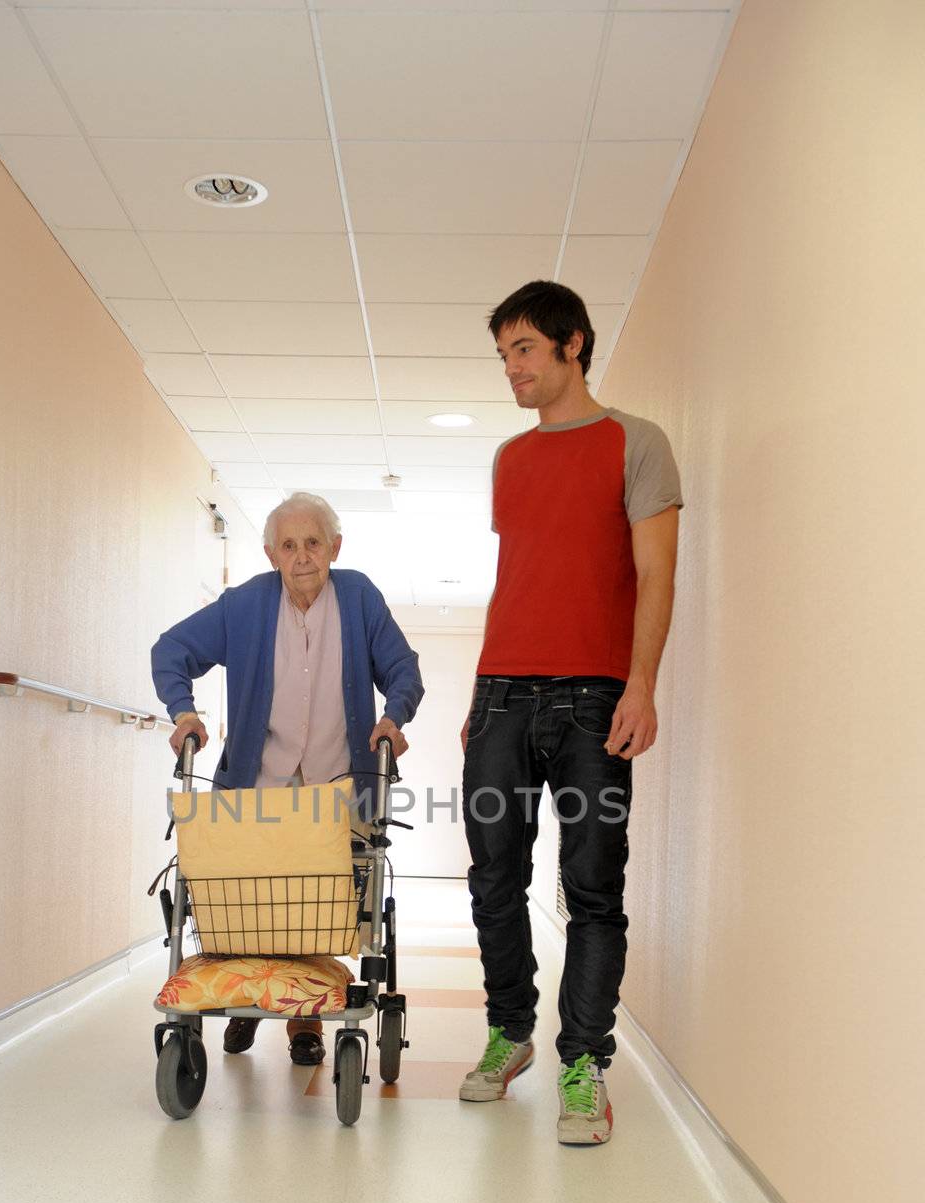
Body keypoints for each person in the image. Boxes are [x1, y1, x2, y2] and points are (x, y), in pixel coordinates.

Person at [458, 280, 682, 1145]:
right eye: (503, 354)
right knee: (491, 877)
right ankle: (511, 1032)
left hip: (594, 700)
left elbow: (657, 574)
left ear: (572, 345)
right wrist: (480, 695)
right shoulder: (509, 461)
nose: (511, 368)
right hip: (503, 696)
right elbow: (516, 583)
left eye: (524, 350)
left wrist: (641, 686)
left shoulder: (637, 443)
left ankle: (583, 1065)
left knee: (592, 889)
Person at [152, 491, 423, 1066]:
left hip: (338, 786)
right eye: (289, 545)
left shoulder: (359, 597)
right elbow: (170, 649)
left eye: (313, 543)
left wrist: (391, 718)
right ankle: (248, 1000)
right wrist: (184, 712)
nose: (302, 557)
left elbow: (403, 669)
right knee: (249, 904)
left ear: (335, 548)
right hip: (257, 788)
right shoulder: (245, 605)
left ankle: (305, 1023)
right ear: (272, 552)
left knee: (316, 907)